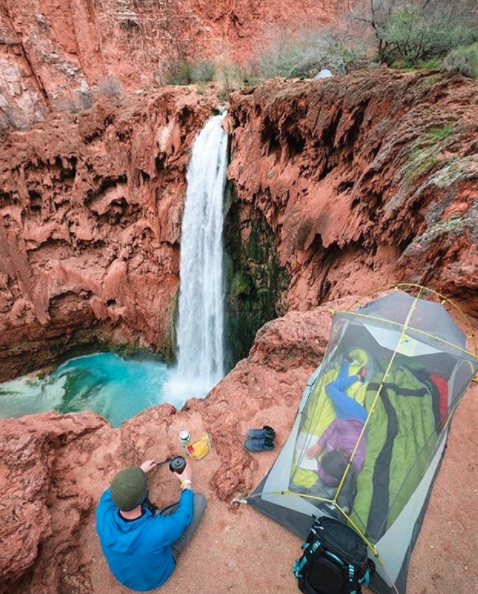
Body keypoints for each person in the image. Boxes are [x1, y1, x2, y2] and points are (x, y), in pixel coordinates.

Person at [96, 459, 206, 592]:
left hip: (126, 578)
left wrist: (139, 473)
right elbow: (184, 517)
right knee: (198, 501)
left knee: (153, 539)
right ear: (143, 498)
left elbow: (116, 490)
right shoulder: (156, 529)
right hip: (157, 576)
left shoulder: (103, 513)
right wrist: (186, 483)